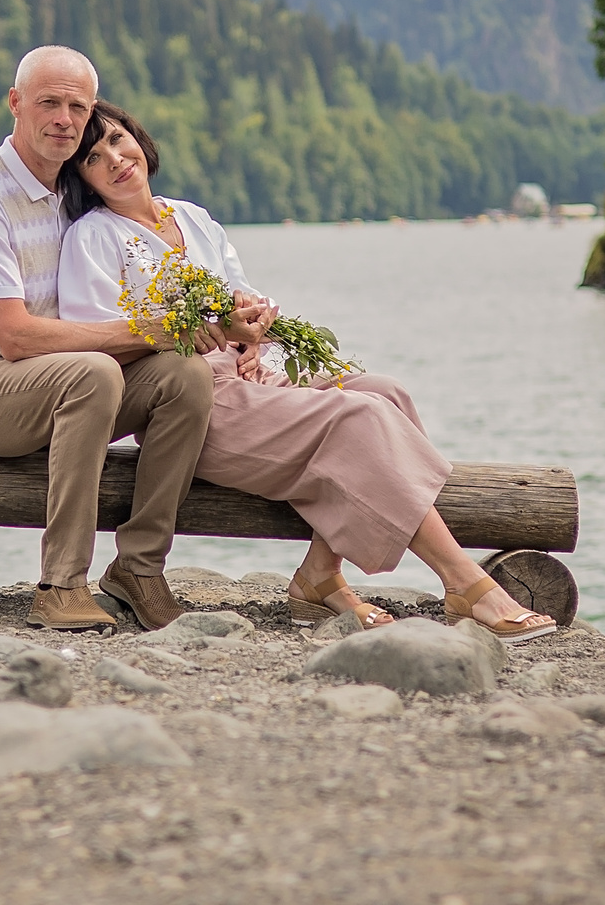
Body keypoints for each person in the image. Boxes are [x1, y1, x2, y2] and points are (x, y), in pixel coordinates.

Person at [55, 102, 557, 642]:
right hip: (192, 401)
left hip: (252, 373)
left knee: (385, 394)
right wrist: (202, 335)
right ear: (82, 178)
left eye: (116, 139)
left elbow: (245, 300)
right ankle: (464, 582)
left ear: (138, 137)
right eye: (92, 157)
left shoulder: (192, 217)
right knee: (357, 417)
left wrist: (257, 336)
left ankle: (320, 575)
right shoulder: (93, 237)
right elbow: (101, 343)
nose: (114, 158)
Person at [0, 47, 214, 632]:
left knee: (185, 373)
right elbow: (13, 338)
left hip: (70, 387)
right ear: (15, 104)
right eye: (49, 103)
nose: (64, 118)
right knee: (95, 372)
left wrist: (210, 325)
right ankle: (60, 585)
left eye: (77, 107)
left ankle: (139, 568)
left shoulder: (75, 192)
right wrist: (148, 331)